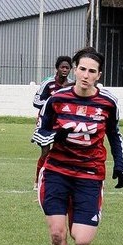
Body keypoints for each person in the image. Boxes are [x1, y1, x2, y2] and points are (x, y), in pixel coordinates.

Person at [31, 46, 123, 245]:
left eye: (92, 71)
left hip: (89, 173)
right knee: (56, 234)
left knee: (82, 240)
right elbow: (38, 135)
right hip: (57, 172)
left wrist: (121, 164)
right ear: (75, 69)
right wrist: (55, 136)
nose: (86, 75)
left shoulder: (108, 102)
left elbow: (114, 134)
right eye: (82, 69)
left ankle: (76, 205)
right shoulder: (57, 99)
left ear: (99, 75)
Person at [32, 56, 74, 190]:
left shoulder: (72, 85)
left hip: (62, 123)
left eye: (67, 68)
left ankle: (59, 182)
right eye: (62, 67)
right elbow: (36, 101)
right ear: (57, 68)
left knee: (62, 153)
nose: (65, 70)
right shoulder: (48, 83)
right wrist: (51, 103)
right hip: (46, 122)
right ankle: (37, 182)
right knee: (45, 152)